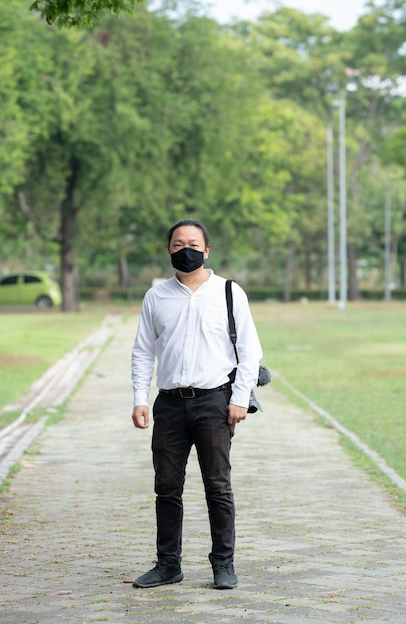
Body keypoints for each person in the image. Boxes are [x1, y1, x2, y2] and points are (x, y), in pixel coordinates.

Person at [131, 218, 263, 590]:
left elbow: (250, 350)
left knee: (217, 486)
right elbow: (142, 351)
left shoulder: (228, 292)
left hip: (216, 402)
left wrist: (239, 397)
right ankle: (168, 564)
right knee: (167, 488)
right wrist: (140, 398)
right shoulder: (156, 296)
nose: (184, 249)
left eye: (192, 243)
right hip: (169, 405)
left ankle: (223, 563)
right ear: (168, 250)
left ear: (206, 250)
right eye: (177, 244)